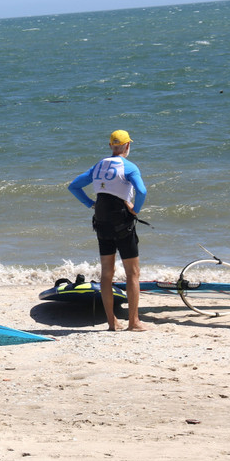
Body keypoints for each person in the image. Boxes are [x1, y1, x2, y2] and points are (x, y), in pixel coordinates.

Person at [68, 130, 148, 332]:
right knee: (133, 273)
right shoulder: (129, 167)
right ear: (127, 145)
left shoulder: (98, 166)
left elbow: (74, 186)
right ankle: (134, 322)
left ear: (111, 146)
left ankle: (112, 323)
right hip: (122, 221)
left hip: (102, 220)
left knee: (106, 273)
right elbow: (142, 191)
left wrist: (90, 204)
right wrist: (135, 209)